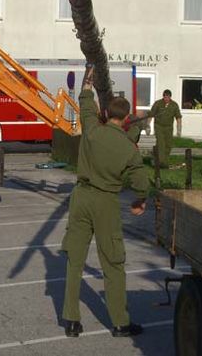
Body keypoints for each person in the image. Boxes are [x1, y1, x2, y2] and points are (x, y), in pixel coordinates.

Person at [61, 63, 149, 338]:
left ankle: (72, 321)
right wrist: (140, 200)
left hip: (81, 197)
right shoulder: (128, 148)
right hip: (106, 203)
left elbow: (85, 101)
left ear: (107, 114)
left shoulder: (91, 130)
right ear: (125, 120)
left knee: (75, 261)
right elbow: (140, 182)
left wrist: (88, 79)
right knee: (112, 264)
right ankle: (120, 322)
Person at [148, 90, 182, 168]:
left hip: (169, 127)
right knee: (161, 144)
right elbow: (151, 114)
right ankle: (161, 163)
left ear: (170, 97)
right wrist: (148, 125)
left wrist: (179, 129)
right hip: (159, 126)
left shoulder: (174, 105)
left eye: (168, 97)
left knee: (168, 145)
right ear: (163, 96)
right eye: (165, 96)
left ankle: (161, 160)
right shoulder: (158, 103)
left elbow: (178, 117)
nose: (166, 98)